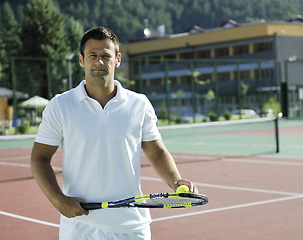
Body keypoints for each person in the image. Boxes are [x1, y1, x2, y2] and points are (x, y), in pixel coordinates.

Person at [31, 26, 198, 240]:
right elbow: (39, 158)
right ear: (81, 60)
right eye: (92, 55)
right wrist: (59, 200)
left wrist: (176, 180)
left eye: (105, 56)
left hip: (131, 228)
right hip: (79, 229)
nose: (99, 62)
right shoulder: (60, 105)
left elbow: (156, 152)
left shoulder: (140, 104)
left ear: (117, 59)